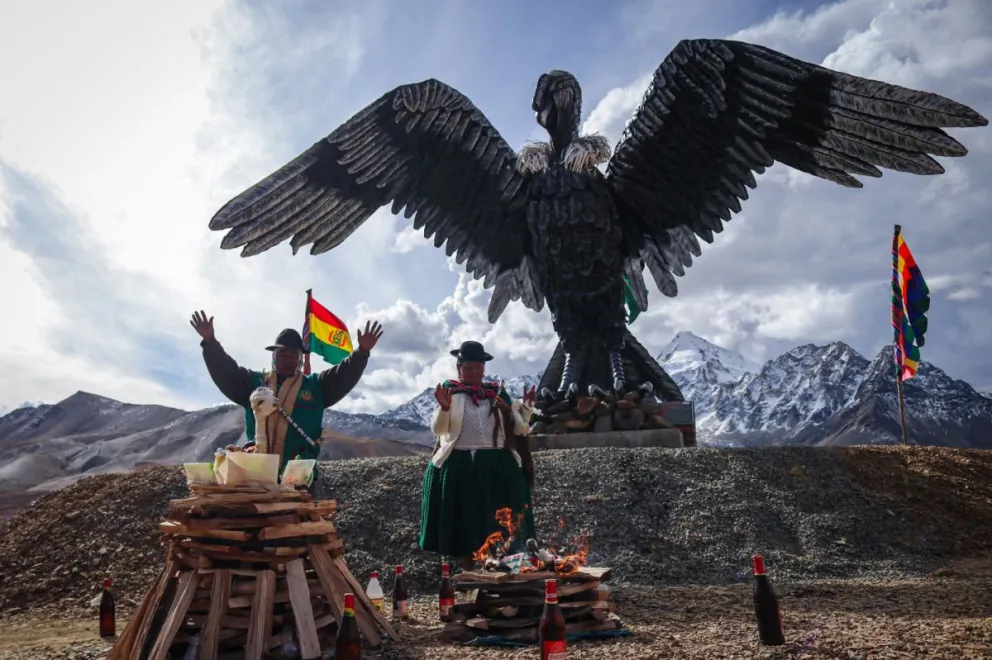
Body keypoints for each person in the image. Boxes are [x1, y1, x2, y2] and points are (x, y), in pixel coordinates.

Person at [190, 310, 382, 485]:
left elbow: (343, 375)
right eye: (283, 354)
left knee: (302, 522)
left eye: (293, 355)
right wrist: (210, 342)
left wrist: (361, 352)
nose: (288, 359)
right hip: (256, 475)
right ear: (274, 357)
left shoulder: (317, 387)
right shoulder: (253, 383)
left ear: (300, 359)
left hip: (298, 477)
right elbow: (226, 371)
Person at [419, 340, 538, 570]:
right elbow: (438, 430)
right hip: (461, 466)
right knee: (466, 522)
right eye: (469, 367)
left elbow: (518, 429)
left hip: (497, 466)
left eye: (479, 366)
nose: (475, 371)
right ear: (459, 368)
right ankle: (469, 572)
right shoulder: (450, 392)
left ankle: (502, 569)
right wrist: (444, 409)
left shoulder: (497, 394)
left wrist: (526, 410)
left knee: (499, 523)